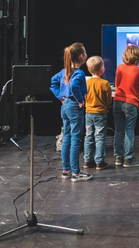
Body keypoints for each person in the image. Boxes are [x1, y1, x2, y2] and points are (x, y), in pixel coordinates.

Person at [50, 42, 92, 182]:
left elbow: (53, 82)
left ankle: (66, 169)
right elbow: (74, 86)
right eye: (85, 52)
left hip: (65, 106)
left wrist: (60, 96)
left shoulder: (64, 72)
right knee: (75, 139)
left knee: (67, 136)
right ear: (81, 56)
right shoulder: (79, 73)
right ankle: (75, 172)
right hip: (74, 106)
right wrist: (80, 100)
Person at [113, 45, 139, 167]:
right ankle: (128, 159)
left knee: (119, 130)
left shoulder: (119, 67)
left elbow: (117, 84)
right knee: (129, 130)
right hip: (131, 103)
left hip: (117, 102)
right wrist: (138, 100)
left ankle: (118, 157)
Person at [83, 56, 112, 170]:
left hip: (89, 113)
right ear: (102, 69)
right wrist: (107, 108)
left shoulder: (86, 82)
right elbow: (108, 100)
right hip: (101, 113)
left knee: (89, 136)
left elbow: (84, 97)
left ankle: (87, 160)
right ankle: (99, 161)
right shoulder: (105, 83)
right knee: (99, 137)